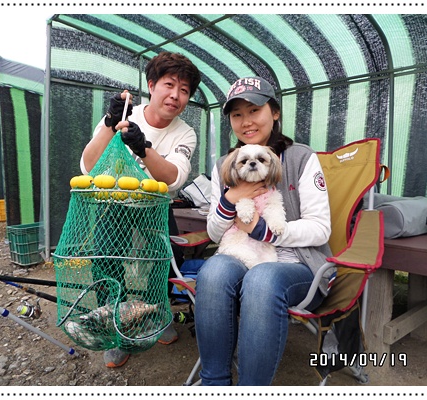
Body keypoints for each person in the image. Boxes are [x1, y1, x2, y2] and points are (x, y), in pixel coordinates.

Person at [194, 76, 333, 385]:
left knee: (262, 279)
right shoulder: (225, 165)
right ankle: (213, 383)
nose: (246, 122)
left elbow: (321, 229)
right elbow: (215, 234)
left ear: (275, 112)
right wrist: (231, 197)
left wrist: (264, 231)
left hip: (298, 265)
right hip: (242, 254)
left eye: (254, 110)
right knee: (213, 271)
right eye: (237, 114)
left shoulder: (301, 158)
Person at [80, 51, 201, 368]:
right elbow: (89, 166)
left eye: (184, 90)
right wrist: (110, 124)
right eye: (169, 85)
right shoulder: (124, 114)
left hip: (155, 206)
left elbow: (174, 178)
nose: (175, 95)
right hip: (114, 203)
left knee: (168, 257)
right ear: (152, 85)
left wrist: (142, 147)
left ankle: (156, 314)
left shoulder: (184, 133)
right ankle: (115, 330)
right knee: (105, 259)